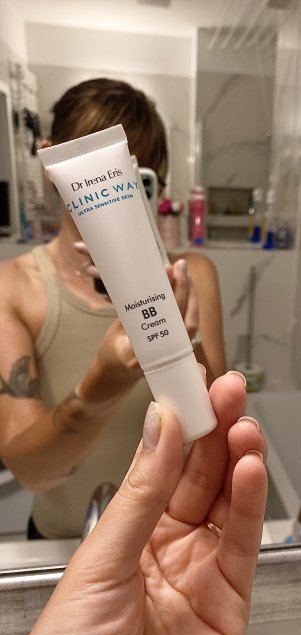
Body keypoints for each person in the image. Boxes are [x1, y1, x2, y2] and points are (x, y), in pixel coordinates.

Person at [0, 78, 227, 539]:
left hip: (171, 539)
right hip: (62, 541)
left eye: (137, 176)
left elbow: (216, 432)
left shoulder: (193, 274)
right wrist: (99, 389)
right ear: (49, 160)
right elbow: (31, 474)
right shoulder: (13, 287)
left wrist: (180, 336)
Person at [28, 370, 268, 635]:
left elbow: (218, 415)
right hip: (54, 534)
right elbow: (26, 467)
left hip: (173, 528)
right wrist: (101, 378)